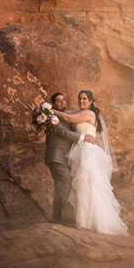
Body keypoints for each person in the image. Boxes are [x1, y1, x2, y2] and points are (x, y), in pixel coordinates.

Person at [55, 90, 128, 235]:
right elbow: (68, 112)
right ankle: (84, 221)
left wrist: (50, 110)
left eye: (84, 99)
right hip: (82, 150)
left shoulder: (89, 114)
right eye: (80, 98)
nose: (81, 101)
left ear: (90, 101)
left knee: (89, 185)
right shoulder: (82, 112)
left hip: (88, 152)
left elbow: (67, 117)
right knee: (84, 186)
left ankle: (96, 222)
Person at [41, 92, 81, 224]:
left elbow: (78, 115)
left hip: (65, 158)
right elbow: (62, 132)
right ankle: (67, 218)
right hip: (56, 157)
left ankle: (57, 216)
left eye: (64, 100)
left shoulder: (67, 115)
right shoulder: (49, 116)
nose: (62, 103)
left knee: (60, 186)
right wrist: (82, 138)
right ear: (53, 104)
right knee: (66, 183)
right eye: (59, 101)